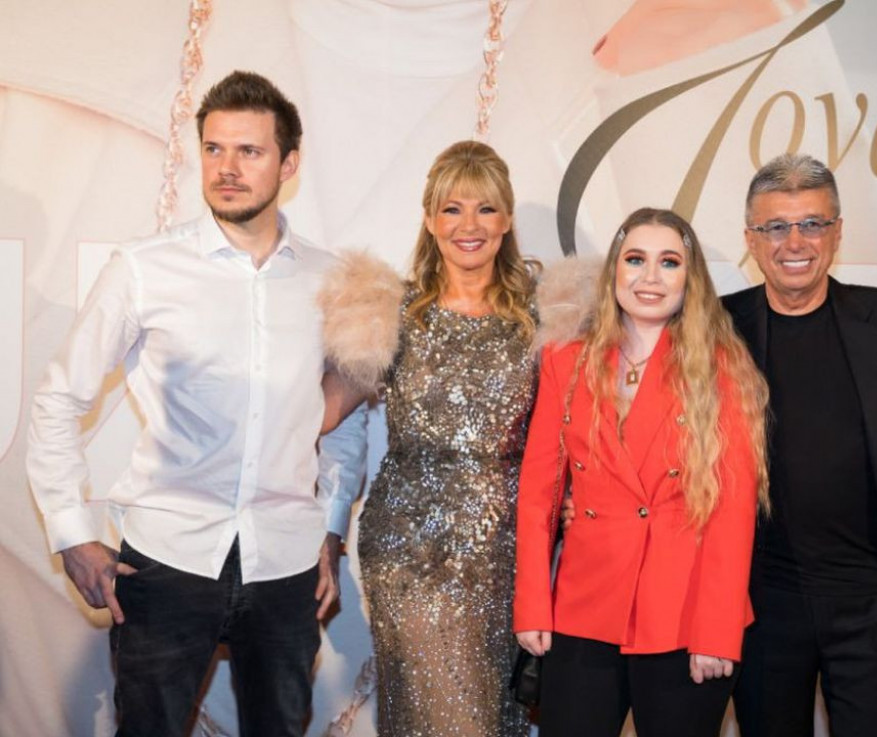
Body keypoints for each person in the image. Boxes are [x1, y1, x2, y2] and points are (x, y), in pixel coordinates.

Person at [25, 71, 367, 737]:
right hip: (166, 560)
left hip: (287, 564)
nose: (227, 168)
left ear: (289, 164)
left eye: (249, 151)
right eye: (214, 149)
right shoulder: (145, 267)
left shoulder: (330, 280)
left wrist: (330, 527)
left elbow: (343, 420)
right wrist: (71, 531)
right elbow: (59, 397)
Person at [724, 152, 877, 737]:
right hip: (761, 599)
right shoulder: (720, 326)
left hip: (868, 597)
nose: (795, 242)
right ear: (751, 239)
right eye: (776, 226)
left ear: (837, 232)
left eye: (812, 223)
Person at [514, 207, 769, 737]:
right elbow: (539, 494)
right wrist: (533, 602)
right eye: (635, 259)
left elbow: (733, 509)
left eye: (669, 262)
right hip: (584, 607)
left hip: (684, 616)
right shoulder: (566, 361)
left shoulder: (721, 369)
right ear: (614, 270)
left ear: (690, 279)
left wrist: (717, 631)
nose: (650, 277)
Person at [319, 140, 534, 737]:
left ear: (507, 219)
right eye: (452, 209)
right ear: (430, 219)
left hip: (507, 555)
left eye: (486, 209)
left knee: (496, 717)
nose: (470, 226)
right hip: (410, 552)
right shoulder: (392, 310)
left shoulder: (540, 318)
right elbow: (323, 412)